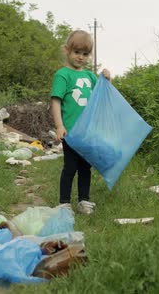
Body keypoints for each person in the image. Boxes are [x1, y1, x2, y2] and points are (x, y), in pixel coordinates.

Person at [50, 30, 111, 215]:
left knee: (86, 167)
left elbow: (103, 92)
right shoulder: (62, 75)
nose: (81, 57)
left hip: (87, 133)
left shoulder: (91, 77)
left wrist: (107, 78)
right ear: (67, 50)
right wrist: (60, 126)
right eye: (77, 52)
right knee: (70, 167)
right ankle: (64, 203)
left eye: (85, 54)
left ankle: (84, 201)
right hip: (71, 132)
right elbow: (56, 101)